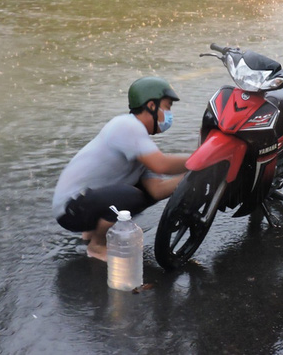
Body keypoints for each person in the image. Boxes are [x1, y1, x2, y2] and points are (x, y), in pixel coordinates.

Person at [52, 76, 190, 261]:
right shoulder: (127, 126)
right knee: (131, 195)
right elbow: (162, 165)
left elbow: (156, 190)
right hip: (70, 211)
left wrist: (194, 176)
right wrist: (202, 159)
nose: (169, 113)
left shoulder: (140, 142)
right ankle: (97, 246)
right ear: (151, 105)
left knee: (141, 195)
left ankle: (91, 232)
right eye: (167, 107)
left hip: (79, 208)